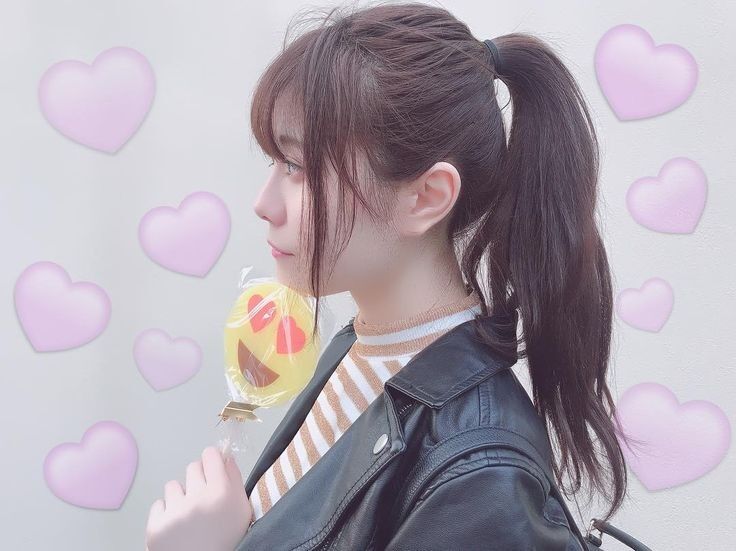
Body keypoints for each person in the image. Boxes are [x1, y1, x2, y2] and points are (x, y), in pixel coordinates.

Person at [145, 2, 629, 549]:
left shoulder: (478, 473)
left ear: (426, 197)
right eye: (275, 161)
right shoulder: (365, 348)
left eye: (298, 168)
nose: (264, 203)